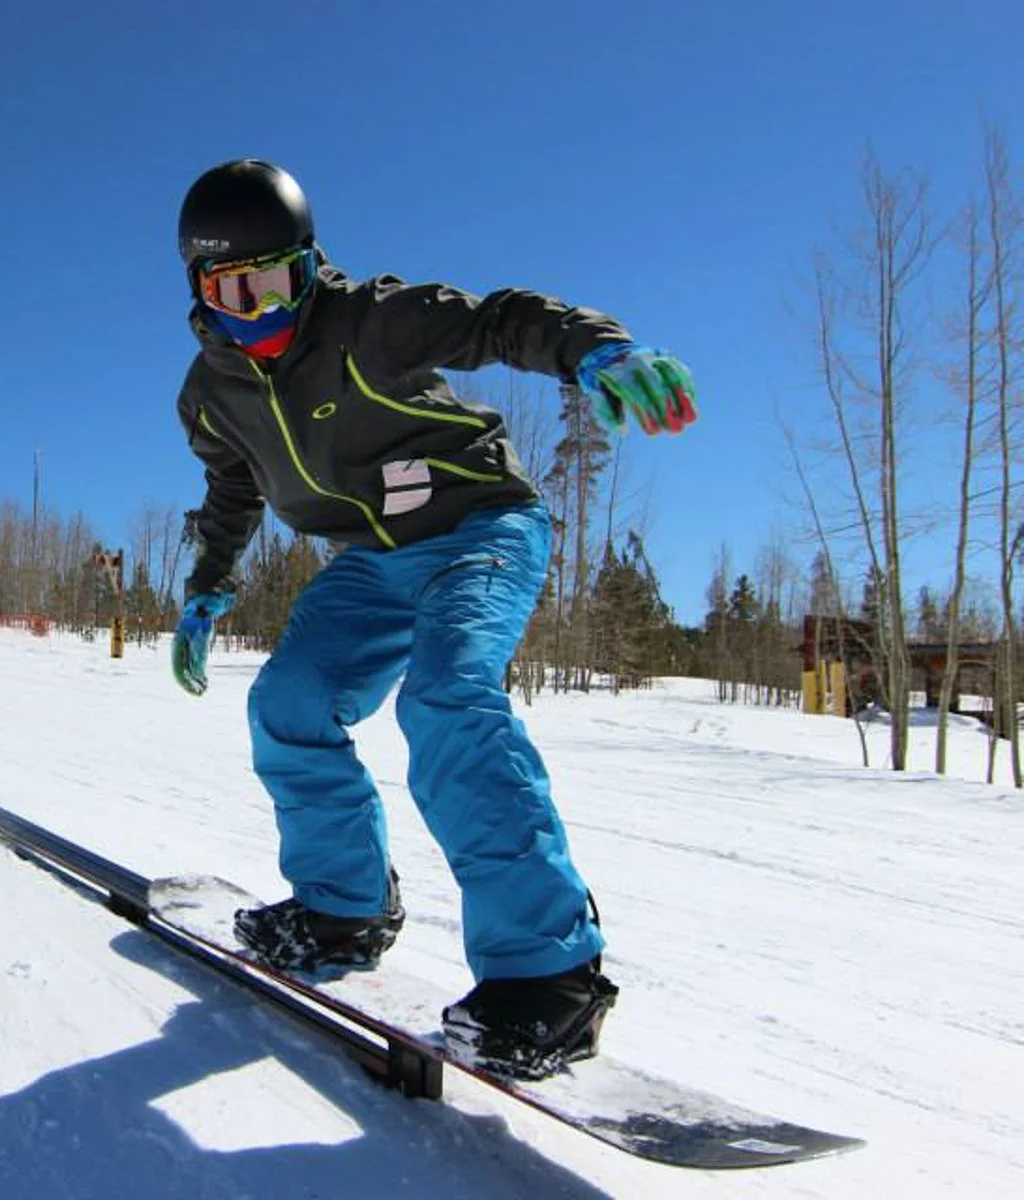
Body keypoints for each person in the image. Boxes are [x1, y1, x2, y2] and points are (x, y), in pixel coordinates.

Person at [167, 159, 696, 1079]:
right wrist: (208, 588)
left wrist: (598, 350)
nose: (262, 311)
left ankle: (550, 978)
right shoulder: (211, 395)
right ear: (200, 289)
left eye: (279, 282)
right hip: (369, 563)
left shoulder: (369, 318)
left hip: (479, 527)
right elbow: (231, 490)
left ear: (309, 264)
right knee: (288, 702)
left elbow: (499, 319)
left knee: (447, 698)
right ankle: (343, 907)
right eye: (234, 290)